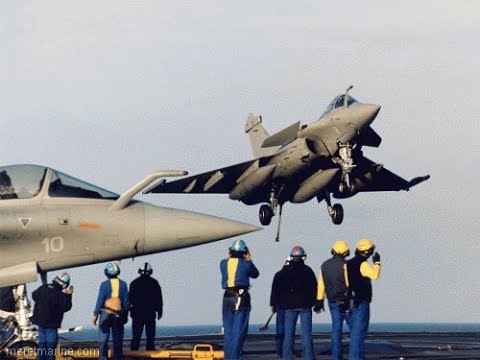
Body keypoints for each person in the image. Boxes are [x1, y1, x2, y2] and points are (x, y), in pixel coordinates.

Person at [220, 239, 259, 360]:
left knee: (228, 332)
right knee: (239, 332)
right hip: (241, 298)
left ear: (230, 251)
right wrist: (249, 259)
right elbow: (255, 274)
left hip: (227, 297)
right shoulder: (246, 263)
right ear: (244, 251)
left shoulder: (223, 263)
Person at [277, 245, 317, 360]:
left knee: (288, 334)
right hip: (305, 305)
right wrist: (316, 303)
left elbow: (280, 287)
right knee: (306, 334)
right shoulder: (308, 271)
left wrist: (279, 303)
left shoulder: (285, 271)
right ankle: (308, 357)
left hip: (289, 306)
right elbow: (314, 287)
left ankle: (287, 357)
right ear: (303, 257)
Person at [315, 240, 352, 360]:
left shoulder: (324, 265)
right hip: (347, 300)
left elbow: (321, 285)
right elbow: (349, 283)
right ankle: (356, 354)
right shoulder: (346, 265)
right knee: (354, 327)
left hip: (332, 301)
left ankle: (336, 357)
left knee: (336, 329)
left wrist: (319, 301)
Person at [347, 239, 381, 360]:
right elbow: (374, 275)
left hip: (351, 299)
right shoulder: (363, 264)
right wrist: (377, 263)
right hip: (361, 300)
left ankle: (355, 356)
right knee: (359, 333)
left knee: (355, 332)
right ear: (368, 251)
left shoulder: (349, 263)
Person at [31, 273, 73, 360]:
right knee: (50, 347)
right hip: (51, 325)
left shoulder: (44, 287)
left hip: (40, 322)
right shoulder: (60, 295)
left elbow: (34, 295)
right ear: (65, 285)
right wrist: (69, 295)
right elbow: (66, 307)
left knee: (42, 345)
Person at [92, 262, 129, 360]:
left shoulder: (104, 285)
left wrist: (95, 315)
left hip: (105, 314)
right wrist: (125, 316)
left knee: (103, 339)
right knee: (118, 340)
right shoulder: (123, 284)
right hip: (118, 314)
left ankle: (103, 358)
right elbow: (126, 303)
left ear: (106, 273)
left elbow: (100, 300)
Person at [129, 262, 163, 350]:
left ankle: (134, 354)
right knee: (150, 338)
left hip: (137, 314)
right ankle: (150, 352)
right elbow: (159, 299)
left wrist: (128, 311)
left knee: (136, 337)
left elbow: (130, 299)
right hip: (150, 314)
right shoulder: (154, 283)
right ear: (150, 271)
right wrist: (159, 311)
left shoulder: (134, 283)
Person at [270, 257, 290, 358]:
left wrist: (272, 305)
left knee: (280, 329)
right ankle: (287, 350)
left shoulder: (278, 275)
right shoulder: (292, 275)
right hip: (290, 305)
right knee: (289, 329)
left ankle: (279, 351)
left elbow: (273, 291)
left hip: (279, 305)